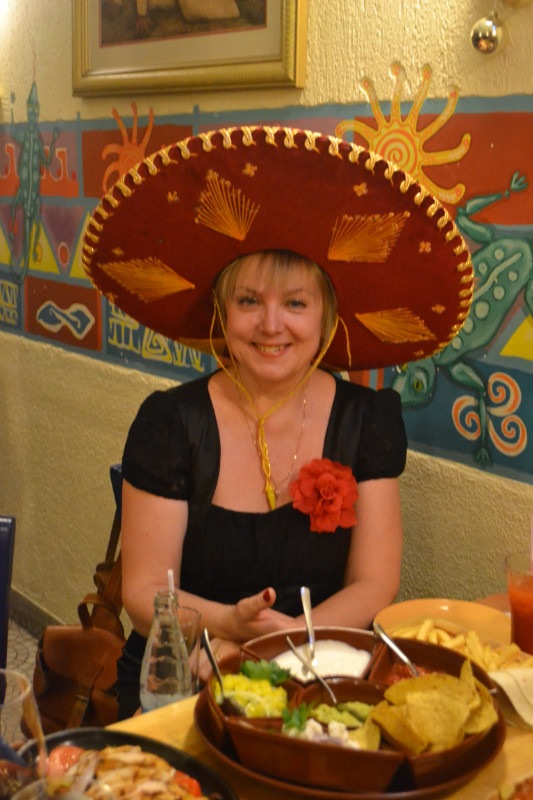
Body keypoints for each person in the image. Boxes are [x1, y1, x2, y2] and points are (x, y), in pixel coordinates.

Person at [82, 126, 473, 718]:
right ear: (222, 311)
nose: (271, 325)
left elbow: (374, 582)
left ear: (326, 317)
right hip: (185, 665)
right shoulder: (169, 424)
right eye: (249, 301)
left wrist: (282, 641)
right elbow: (143, 593)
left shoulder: (367, 420)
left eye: (295, 303)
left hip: (321, 667)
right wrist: (226, 626)